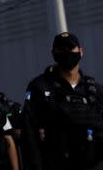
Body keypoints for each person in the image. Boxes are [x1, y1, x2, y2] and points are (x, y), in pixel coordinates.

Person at [21, 31, 103, 170]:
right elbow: (29, 134)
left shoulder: (94, 89)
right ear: (53, 53)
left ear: (81, 52)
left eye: (70, 48)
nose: (66, 52)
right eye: (61, 49)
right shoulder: (40, 87)